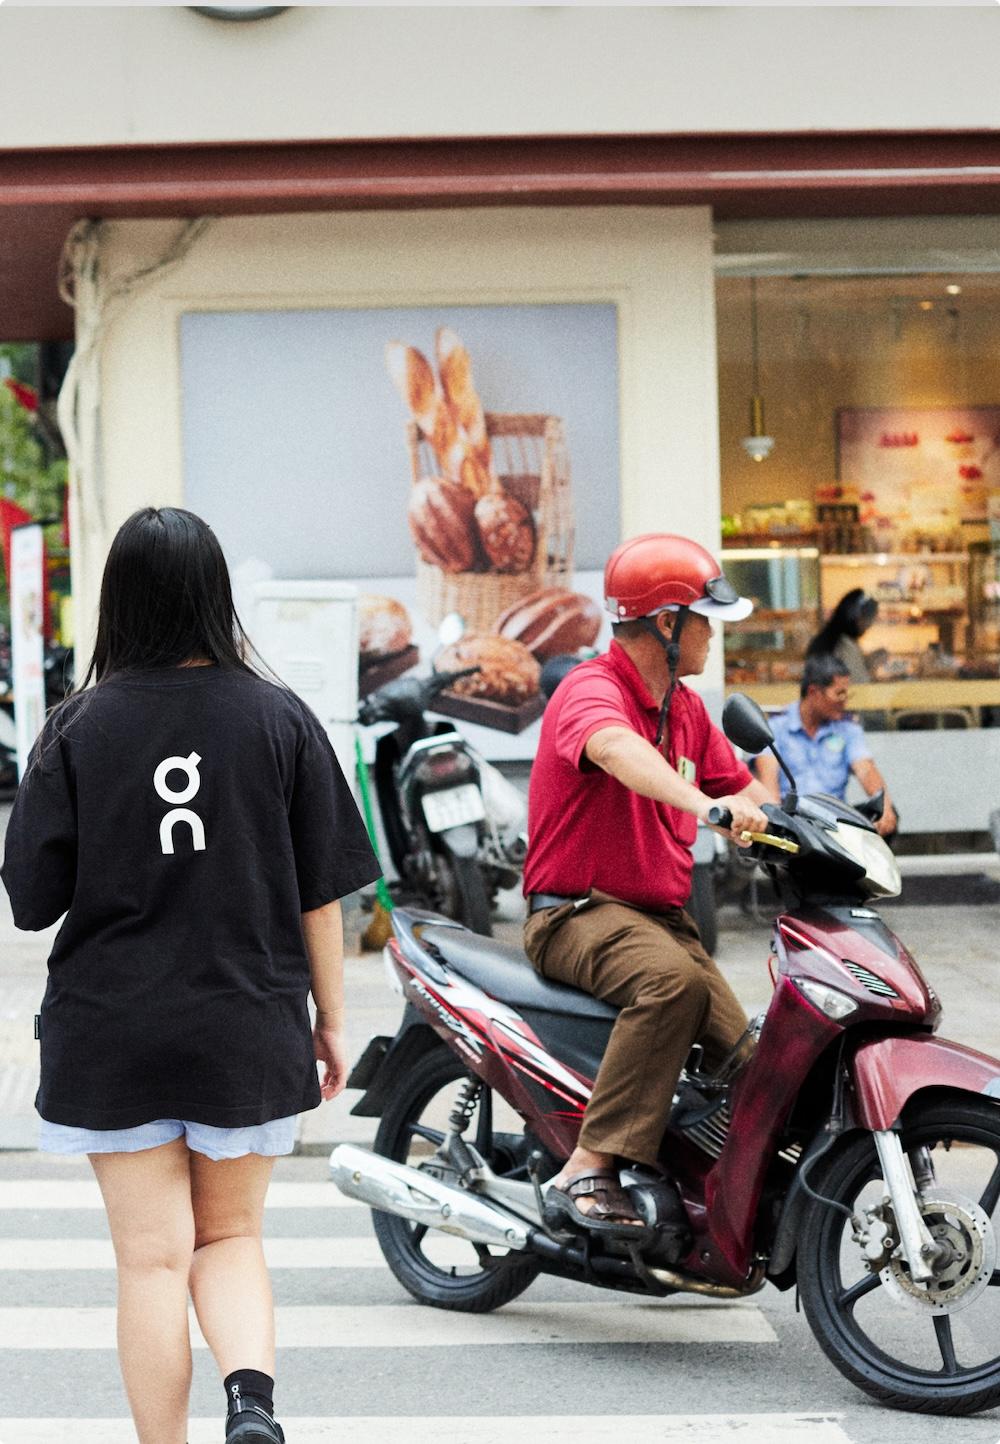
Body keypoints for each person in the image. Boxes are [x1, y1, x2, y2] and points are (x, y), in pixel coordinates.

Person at [1, 508, 381, 1444]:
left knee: (150, 1264)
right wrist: (330, 1020)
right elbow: (323, 897)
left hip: (110, 1029)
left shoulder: (77, 727)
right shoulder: (281, 716)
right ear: (217, 595)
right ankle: (251, 1401)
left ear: (117, 600)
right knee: (233, 1239)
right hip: (247, 1022)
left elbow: (30, 898)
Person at [522, 533, 770, 1236]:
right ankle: (588, 1167)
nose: (713, 636)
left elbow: (746, 791)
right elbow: (614, 750)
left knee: (752, 1061)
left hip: (659, 921)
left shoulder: (685, 708)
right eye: (705, 620)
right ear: (667, 623)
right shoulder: (591, 689)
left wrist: (823, 830)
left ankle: (702, 1187)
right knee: (674, 985)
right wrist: (705, 807)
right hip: (575, 914)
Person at [753, 652, 897, 837]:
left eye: (846, 693)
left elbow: (866, 770)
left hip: (835, 827)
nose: (844, 700)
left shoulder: (846, 729)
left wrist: (884, 808)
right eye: (839, 693)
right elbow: (769, 787)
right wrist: (777, 826)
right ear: (814, 692)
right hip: (793, 829)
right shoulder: (775, 728)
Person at [805, 587, 878, 683]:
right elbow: (858, 684)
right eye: (867, 621)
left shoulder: (827, 639)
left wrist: (867, 663)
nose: (868, 626)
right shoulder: (844, 645)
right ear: (854, 617)